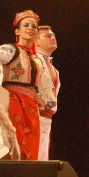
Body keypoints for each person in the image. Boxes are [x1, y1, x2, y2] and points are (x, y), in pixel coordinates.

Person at [0, 10, 46, 160]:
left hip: (31, 107)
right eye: (26, 25)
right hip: (13, 101)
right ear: (17, 31)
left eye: (34, 27)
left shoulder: (38, 60)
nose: (30, 28)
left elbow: (37, 85)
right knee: (15, 143)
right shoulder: (9, 50)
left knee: (31, 146)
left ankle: (26, 174)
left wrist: (40, 97)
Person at [35, 25, 60, 161]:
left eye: (53, 35)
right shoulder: (31, 60)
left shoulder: (54, 69)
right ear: (36, 41)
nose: (53, 38)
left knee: (40, 160)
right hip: (32, 116)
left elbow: (52, 100)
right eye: (48, 36)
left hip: (46, 118)